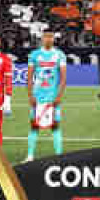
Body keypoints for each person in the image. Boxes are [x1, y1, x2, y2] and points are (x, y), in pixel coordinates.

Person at [26, 30, 67, 160]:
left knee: (55, 125)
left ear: (54, 39)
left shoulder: (59, 55)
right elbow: (29, 76)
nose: (48, 39)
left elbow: (63, 78)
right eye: (46, 36)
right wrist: (31, 95)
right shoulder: (34, 55)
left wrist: (59, 96)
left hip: (52, 96)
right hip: (37, 96)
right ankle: (30, 155)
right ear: (41, 38)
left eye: (51, 36)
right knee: (34, 126)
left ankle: (59, 156)